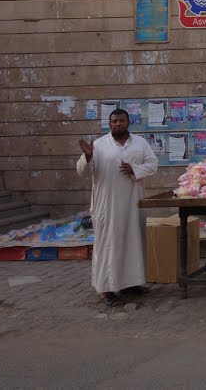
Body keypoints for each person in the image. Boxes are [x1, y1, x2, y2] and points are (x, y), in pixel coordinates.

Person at [75, 109, 158, 308]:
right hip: (107, 206)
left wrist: (135, 170)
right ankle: (107, 289)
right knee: (109, 246)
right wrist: (87, 157)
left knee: (133, 242)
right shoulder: (99, 145)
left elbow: (153, 164)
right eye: (114, 121)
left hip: (133, 203)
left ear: (128, 122)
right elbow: (81, 171)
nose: (118, 124)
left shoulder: (140, 142)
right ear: (109, 123)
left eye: (121, 120)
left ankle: (132, 283)